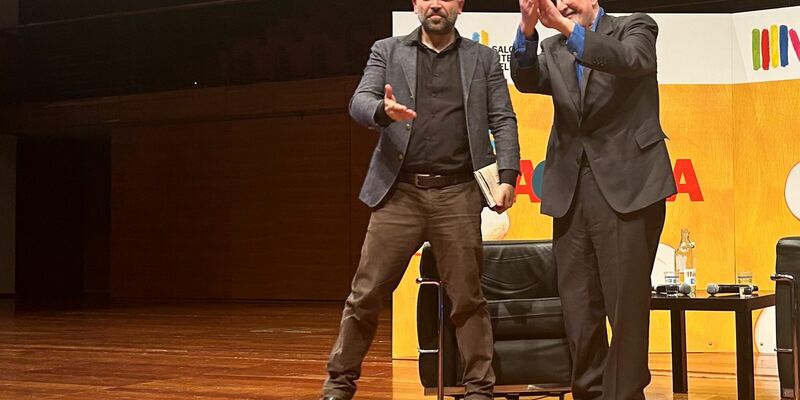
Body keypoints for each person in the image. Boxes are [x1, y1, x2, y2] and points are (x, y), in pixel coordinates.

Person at [320, 0, 520, 399]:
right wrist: (382, 109)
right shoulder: (388, 50)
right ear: (415, 4)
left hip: (458, 193)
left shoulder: (481, 59)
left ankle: (480, 389)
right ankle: (338, 385)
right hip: (400, 194)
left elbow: (503, 118)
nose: (435, 4)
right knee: (366, 294)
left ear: (459, 5)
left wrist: (508, 175)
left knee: (467, 298)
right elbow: (359, 102)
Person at [510, 0, 677, 399]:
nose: (565, 3)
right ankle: (588, 392)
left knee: (625, 306)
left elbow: (631, 59)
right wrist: (529, 30)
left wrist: (569, 32)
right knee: (579, 309)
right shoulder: (552, 47)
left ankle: (624, 394)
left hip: (628, 187)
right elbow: (526, 78)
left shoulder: (635, 26)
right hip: (571, 188)